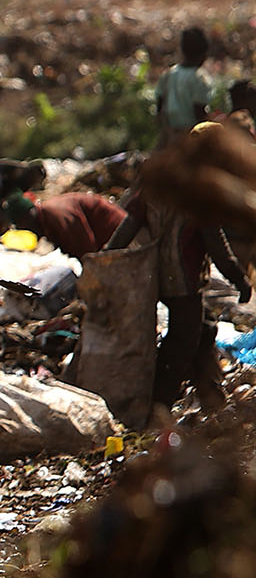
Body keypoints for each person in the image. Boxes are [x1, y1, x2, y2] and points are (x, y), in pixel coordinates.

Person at [106, 124, 250, 412]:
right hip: (184, 279)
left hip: (155, 275)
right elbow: (215, 243)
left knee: (203, 328)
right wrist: (239, 278)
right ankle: (158, 406)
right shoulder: (203, 188)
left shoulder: (161, 182)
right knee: (182, 342)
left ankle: (211, 397)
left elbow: (128, 224)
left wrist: (107, 258)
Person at [7, 192, 127, 259]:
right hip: (109, 240)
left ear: (28, 217)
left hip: (121, 232)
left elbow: (86, 249)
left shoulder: (56, 213)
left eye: (22, 225)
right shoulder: (46, 219)